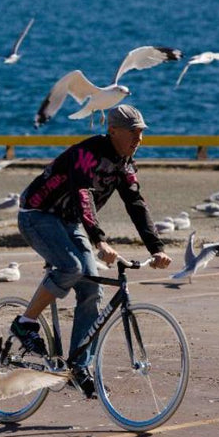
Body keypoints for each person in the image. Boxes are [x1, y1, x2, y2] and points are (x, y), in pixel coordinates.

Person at [11, 104, 172, 397]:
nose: (139, 140)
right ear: (113, 131)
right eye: (134, 133)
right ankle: (25, 323)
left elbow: (136, 204)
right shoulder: (87, 154)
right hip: (37, 214)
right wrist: (100, 241)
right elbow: (82, 194)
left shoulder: (125, 164)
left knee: (92, 289)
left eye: (142, 134)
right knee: (71, 267)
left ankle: (76, 368)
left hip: (69, 221)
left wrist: (157, 248)